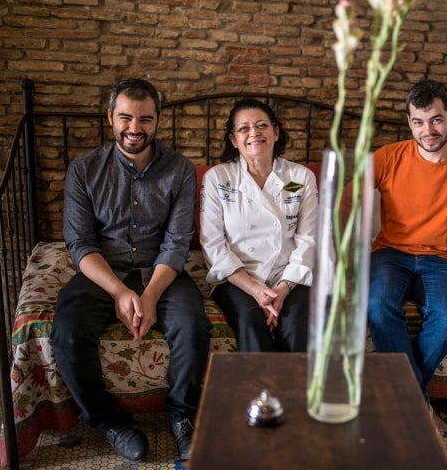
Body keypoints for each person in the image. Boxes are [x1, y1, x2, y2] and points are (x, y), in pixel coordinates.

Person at [50, 78, 212, 462]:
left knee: (193, 326)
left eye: (145, 119)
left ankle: (182, 416)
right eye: (125, 118)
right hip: (102, 270)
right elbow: (80, 244)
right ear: (110, 118)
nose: (134, 128)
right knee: (67, 330)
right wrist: (121, 293)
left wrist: (151, 294)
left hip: (160, 270)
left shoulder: (181, 170)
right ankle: (106, 420)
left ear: (158, 120)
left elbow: (176, 243)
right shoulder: (84, 170)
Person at [367, 79, 447, 399]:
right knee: (378, 305)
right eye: (418, 122)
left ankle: (403, 393)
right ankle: (413, 397)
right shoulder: (387, 156)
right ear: (409, 122)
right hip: (390, 253)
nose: (427, 130)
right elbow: (347, 201)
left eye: (436, 119)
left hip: (443, 260)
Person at [200, 98, 318, 352]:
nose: (254, 133)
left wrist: (282, 290)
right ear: (233, 139)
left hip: (288, 278)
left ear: (276, 132)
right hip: (238, 279)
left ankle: (292, 392)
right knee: (251, 323)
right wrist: (255, 289)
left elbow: (309, 240)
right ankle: (257, 392)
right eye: (244, 128)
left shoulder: (300, 177)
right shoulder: (218, 178)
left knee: (297, 326)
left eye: (262, 125)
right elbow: (213, 245)